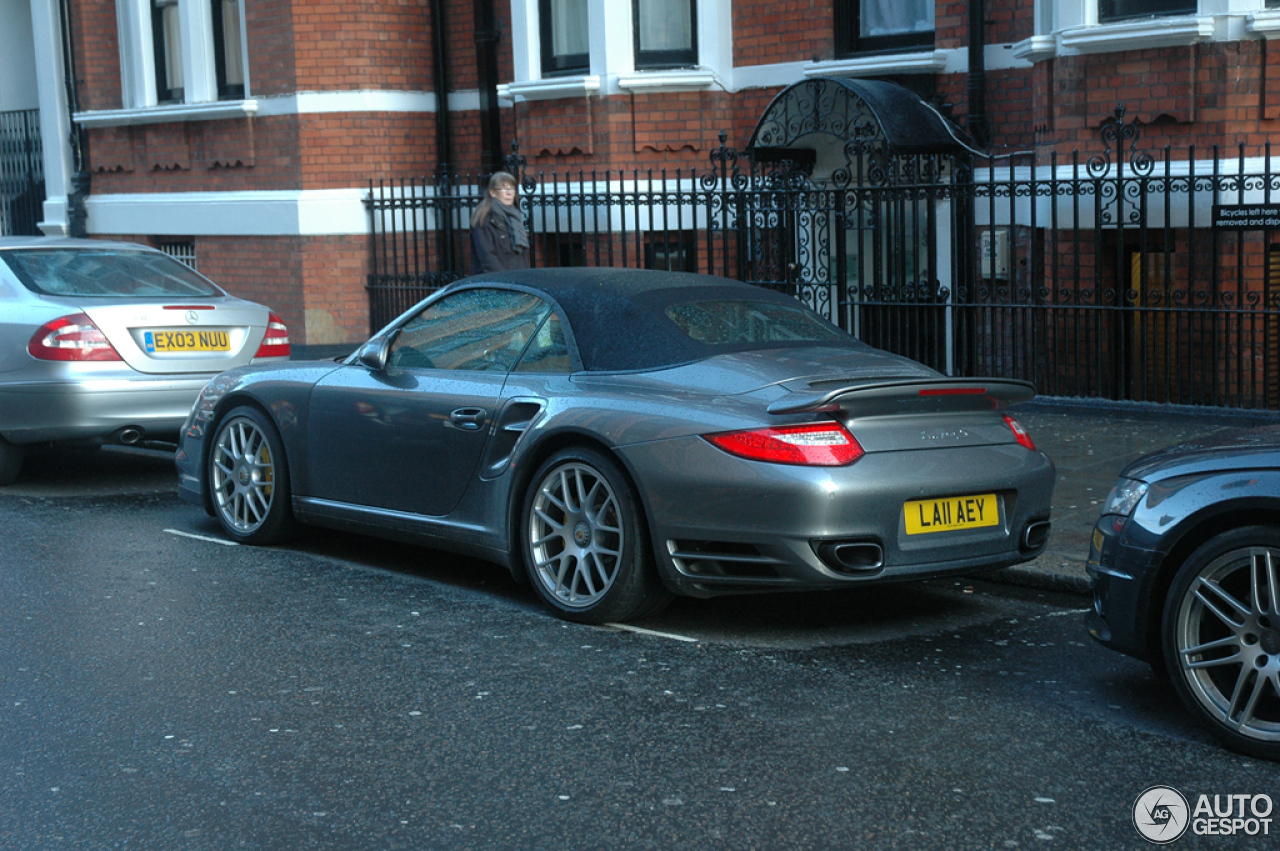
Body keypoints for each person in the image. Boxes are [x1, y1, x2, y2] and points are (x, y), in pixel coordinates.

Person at [470, 171, 530, 273]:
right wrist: (505, 281)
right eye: (503, 188)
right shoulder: (484, 219)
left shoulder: (514, 217)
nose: (509, 192)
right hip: (498, 283)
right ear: (492, 192)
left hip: (518, 280)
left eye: (511, 188)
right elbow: (488, 258)